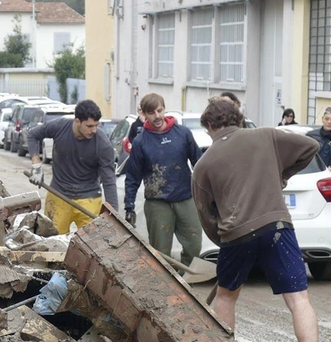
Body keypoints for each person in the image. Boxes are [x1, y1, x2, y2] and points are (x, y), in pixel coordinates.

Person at [192, 96, 331, 342]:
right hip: (276, 226)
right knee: (298, 298)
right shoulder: (267, 136)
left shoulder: (204, 164)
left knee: (226, 296)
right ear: (239, 118)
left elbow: (206, 215)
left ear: (209, 126)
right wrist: (281, 174)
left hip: (235, 234)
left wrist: (223, 240)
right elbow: (311, 148)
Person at [123, 93, 203, 265]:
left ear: (164, 109)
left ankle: (184, 279)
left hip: (185, 198)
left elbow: (200, 163)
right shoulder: (140, 142)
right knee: (160, 253)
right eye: (151, 112)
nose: (157, 116)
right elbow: (132, 177)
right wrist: (129, 206)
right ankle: (166, 287)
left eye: (160, 110)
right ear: (144, 114)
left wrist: (211, 191)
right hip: (157, 203)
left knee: (195, 246)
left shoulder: (182, 133)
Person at [28, 99, 118, 232]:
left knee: (92, 245)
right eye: (89, 126)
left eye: (96, 125)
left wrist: (114, 214)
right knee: (53, 242)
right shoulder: (60, 127)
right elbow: (33, 135)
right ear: (77, 121)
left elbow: (109, 180)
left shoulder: (102, 144)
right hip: (58, 195)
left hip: (89, 199)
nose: (94, 130)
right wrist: (36, 166)